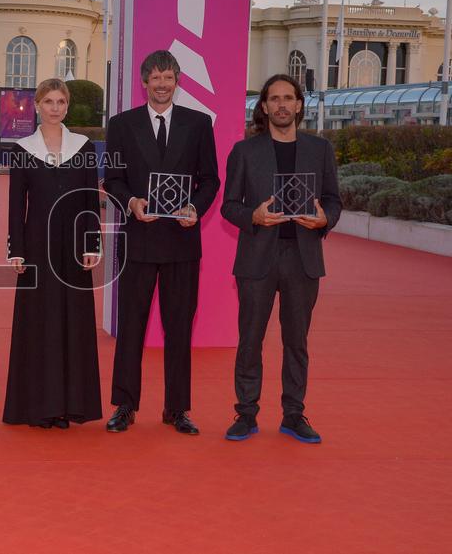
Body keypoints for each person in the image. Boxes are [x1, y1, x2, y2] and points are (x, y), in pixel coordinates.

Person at [102, 50, 219, 435]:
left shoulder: (199, 123)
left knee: (179, 329)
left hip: (182, 243)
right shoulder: (121, 125)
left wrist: (196, 208)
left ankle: (177, 408)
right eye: (155, 78)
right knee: (131, 328)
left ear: (178, 80)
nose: (162, 84)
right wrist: (132, 203)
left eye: (168, 77)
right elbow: (113, 180)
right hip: (138, 240)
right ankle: (125, 405)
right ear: (144, 82)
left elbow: (210, 180)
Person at [221, 74, 341, 444]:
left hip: (303, 258)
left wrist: (325, 220)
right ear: (264, 107)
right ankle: (245, 413)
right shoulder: (245, 151)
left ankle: (294, 414)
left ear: (300, 104)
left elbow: (334, 200)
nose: (282, 105)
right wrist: (252, 217)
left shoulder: (320, 150)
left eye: (288, 98)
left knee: (297, 341)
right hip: (258, 257)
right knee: (250, 340)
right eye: (274, 99)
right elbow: (229, 205)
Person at [3, 78, 102, 429]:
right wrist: (16, 250)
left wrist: (92, 243)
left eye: (61, 101)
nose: (55, 108)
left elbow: (92, 198)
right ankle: (39, 407)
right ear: (37, 106)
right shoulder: (22, 149)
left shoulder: (84, 147)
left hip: (75, 246)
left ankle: (69, 405)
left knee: (72, 322)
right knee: (39, 323)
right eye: (48, 101)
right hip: (36, 247)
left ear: (67, 105)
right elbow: (17, 205)